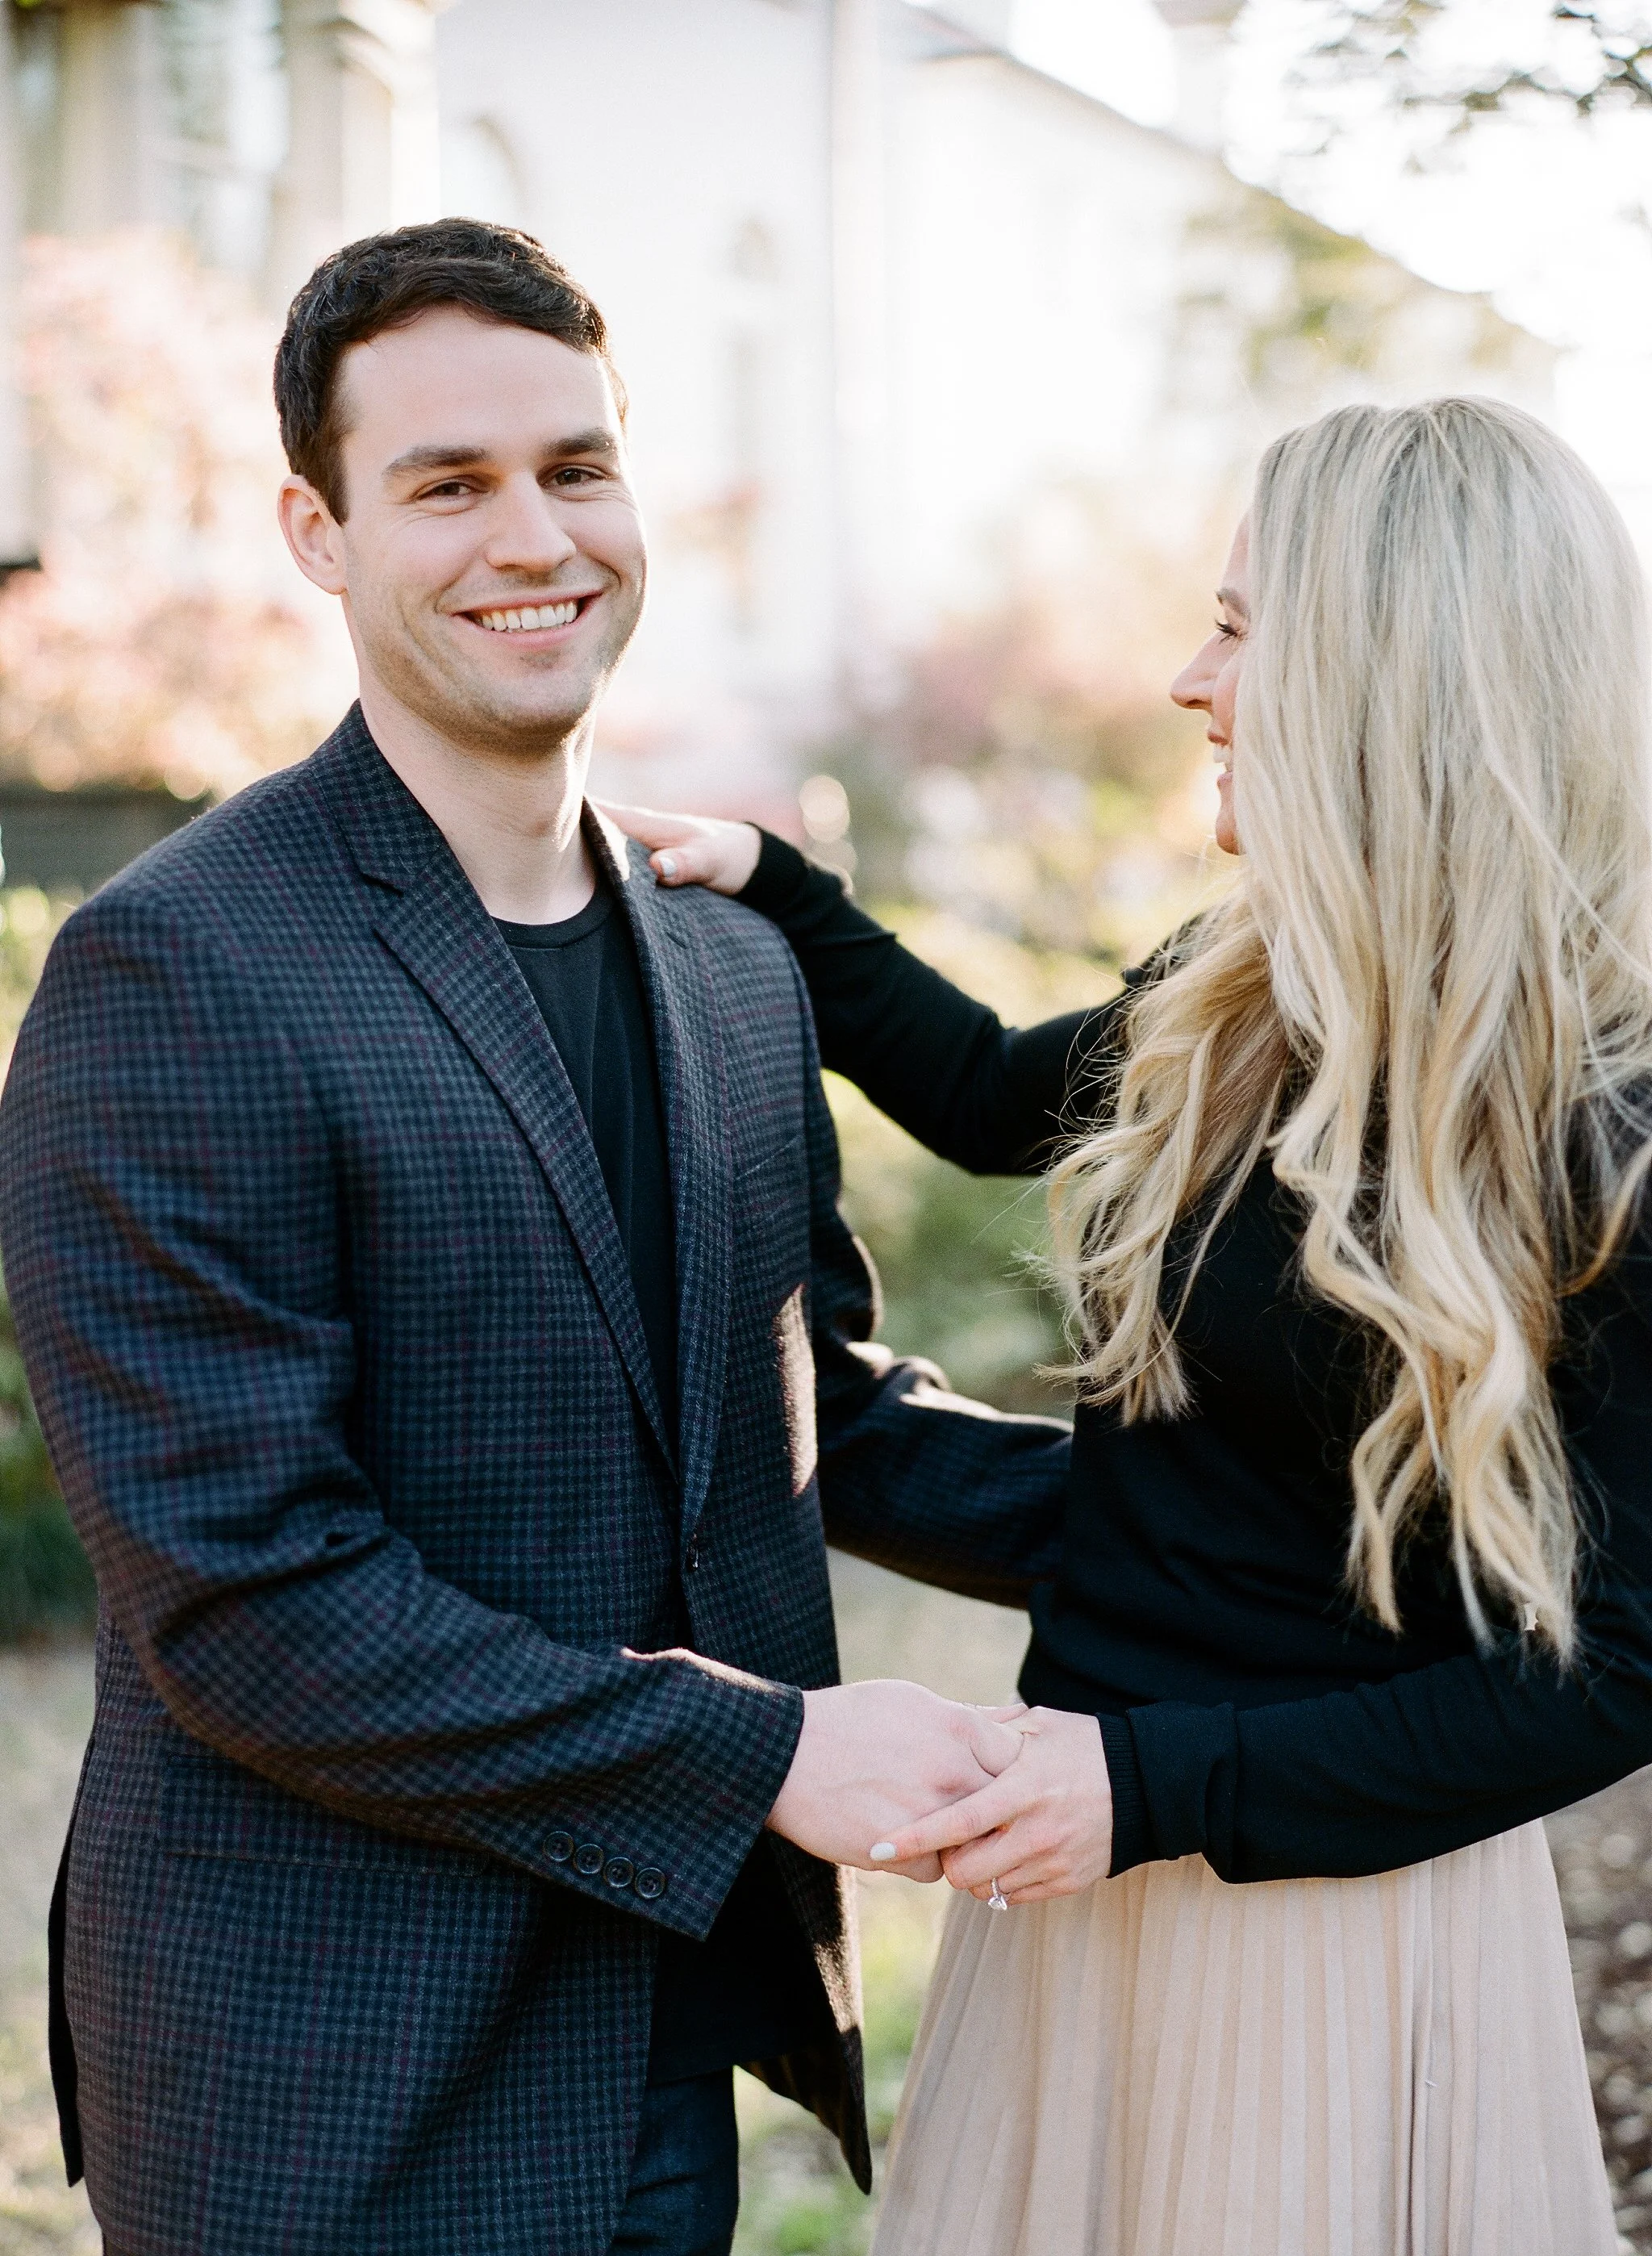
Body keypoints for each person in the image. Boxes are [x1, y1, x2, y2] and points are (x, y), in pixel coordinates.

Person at [0, 219, 1073, 2256]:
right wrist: (767, 1752)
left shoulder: (735, 966)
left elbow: (809, 1409)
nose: (535, 536)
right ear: (319, 533)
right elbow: (245, 1603)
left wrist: (1286, 1516)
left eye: (577, 468)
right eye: (449, 483)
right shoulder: (177, 969)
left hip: (669, 2032)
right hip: (323, 2073)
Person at [610, 396, 1652, 2255]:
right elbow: (992, 1092)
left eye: (1243, 628)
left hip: (1327, 1921)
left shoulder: (1604, 1123)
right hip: (1085, 1868)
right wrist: (778, 901)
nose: (1191, 678)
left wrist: (1152, 1789)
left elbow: (1619, 1675)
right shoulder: (1237, 996)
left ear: (1386, 679)